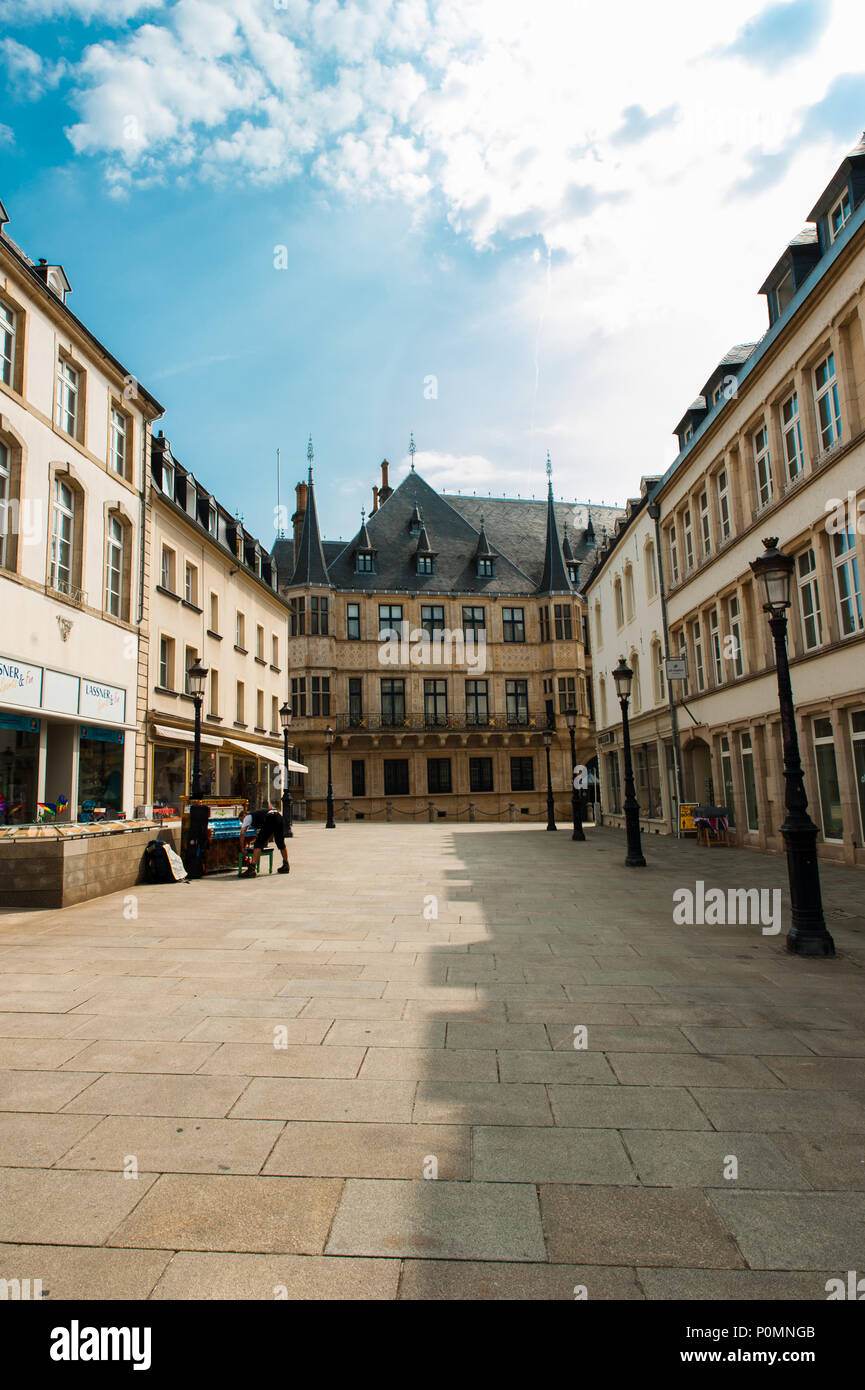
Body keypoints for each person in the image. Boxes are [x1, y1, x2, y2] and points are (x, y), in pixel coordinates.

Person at [240, 803, 290, 877]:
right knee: (280, 842)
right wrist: (265, 842)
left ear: (243, 816)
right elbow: (266, 831)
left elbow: (242, 833)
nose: (242, 822)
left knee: (258, 844)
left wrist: (242, 848)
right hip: (278, 816)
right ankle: (286, 865)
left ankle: (251, 869)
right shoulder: (257, 815)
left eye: (241, 820)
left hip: (270, 818)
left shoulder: (247, 817)